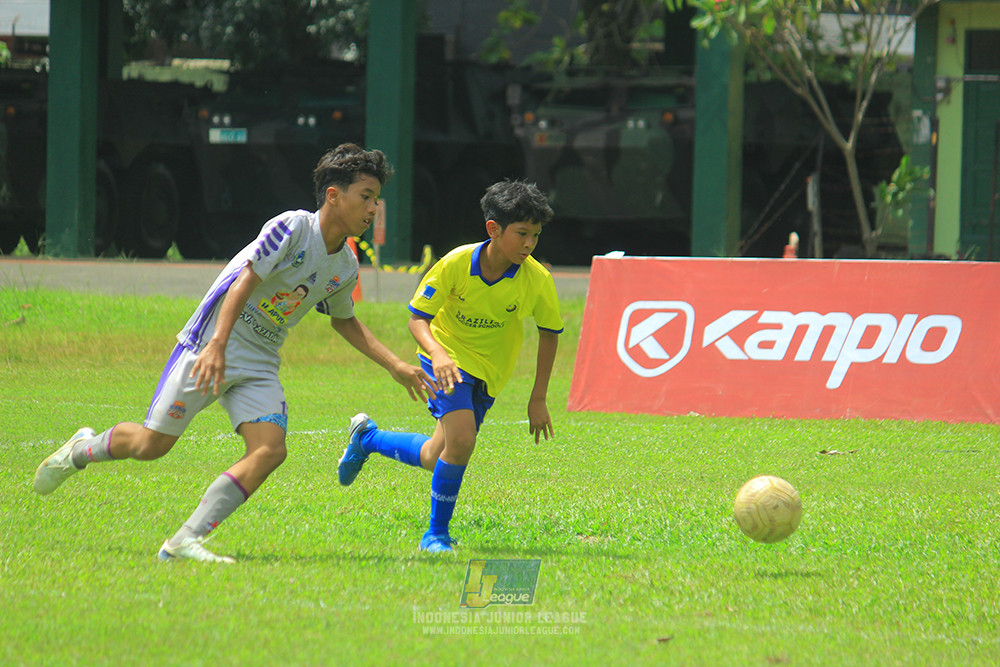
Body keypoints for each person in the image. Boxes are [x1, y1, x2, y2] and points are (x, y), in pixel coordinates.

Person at [33, 143, 437, 563]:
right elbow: (243, 282)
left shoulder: (345, 266)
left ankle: (184, 541)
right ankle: (81, 450)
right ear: (334, 195)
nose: (373, 208)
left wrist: (397, 366)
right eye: (366, 196)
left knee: (270, 450)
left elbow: (344, 320)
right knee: (152, 445)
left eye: (376, 199)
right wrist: (216, 347)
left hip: (260, 359)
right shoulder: (293, 228)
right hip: (210, 341)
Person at [336, 179, 563, 553]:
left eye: (535, 236)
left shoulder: (536, 279)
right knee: (462, 441)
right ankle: (435, 535)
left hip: (489, 372)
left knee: (434, 455)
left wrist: (538, 398)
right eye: (522, 233)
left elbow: (550, 333)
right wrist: (439, 354)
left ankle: (367, 439)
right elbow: (416, 319)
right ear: (493, 229)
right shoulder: (456, 263)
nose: (529, 244)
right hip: (444, 358)